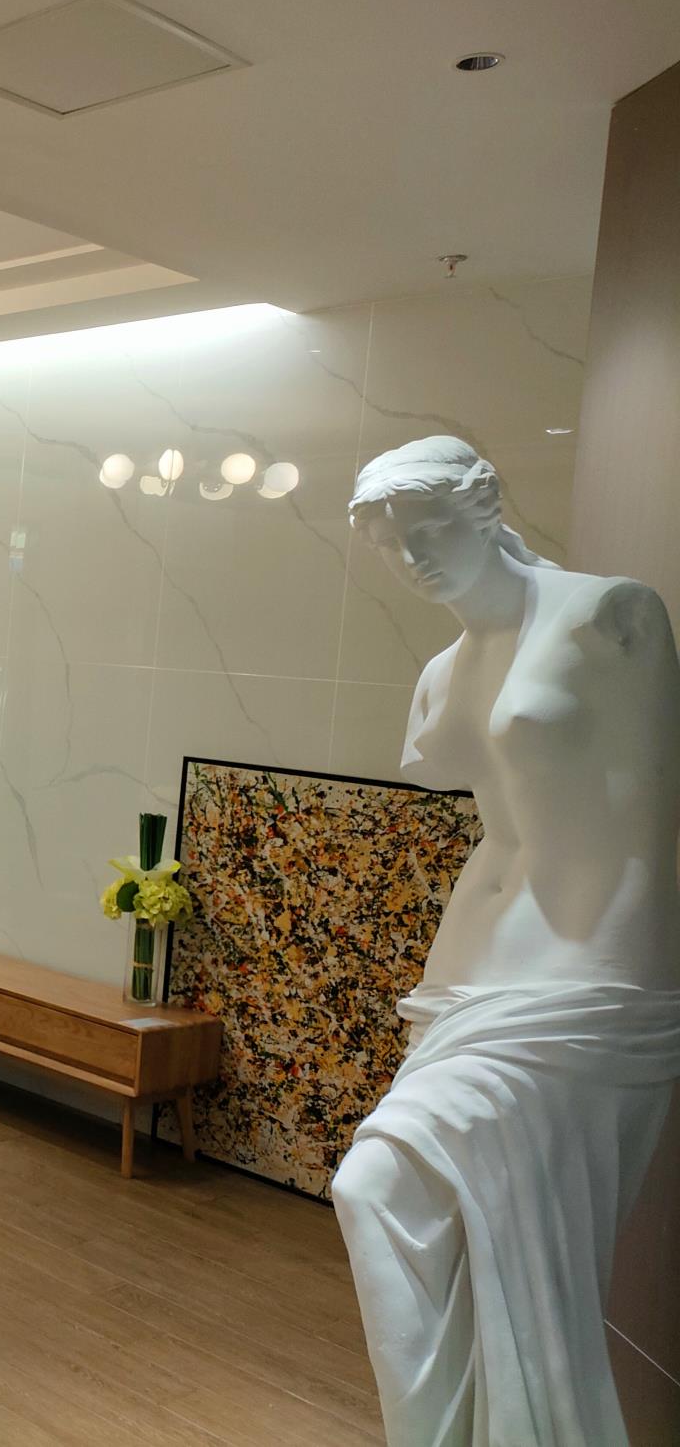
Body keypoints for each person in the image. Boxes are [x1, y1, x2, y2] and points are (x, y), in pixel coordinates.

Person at [332, 435, 680, 1446]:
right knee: (455, 1235)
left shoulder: (611, 617)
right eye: (393, 543)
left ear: (485, 507)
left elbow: (654, 829)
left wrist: (632, 988)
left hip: (585, 975)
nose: (414, 559)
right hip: (464, 977)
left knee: (381, 1189)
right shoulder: (441, 672)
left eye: (432, 529)